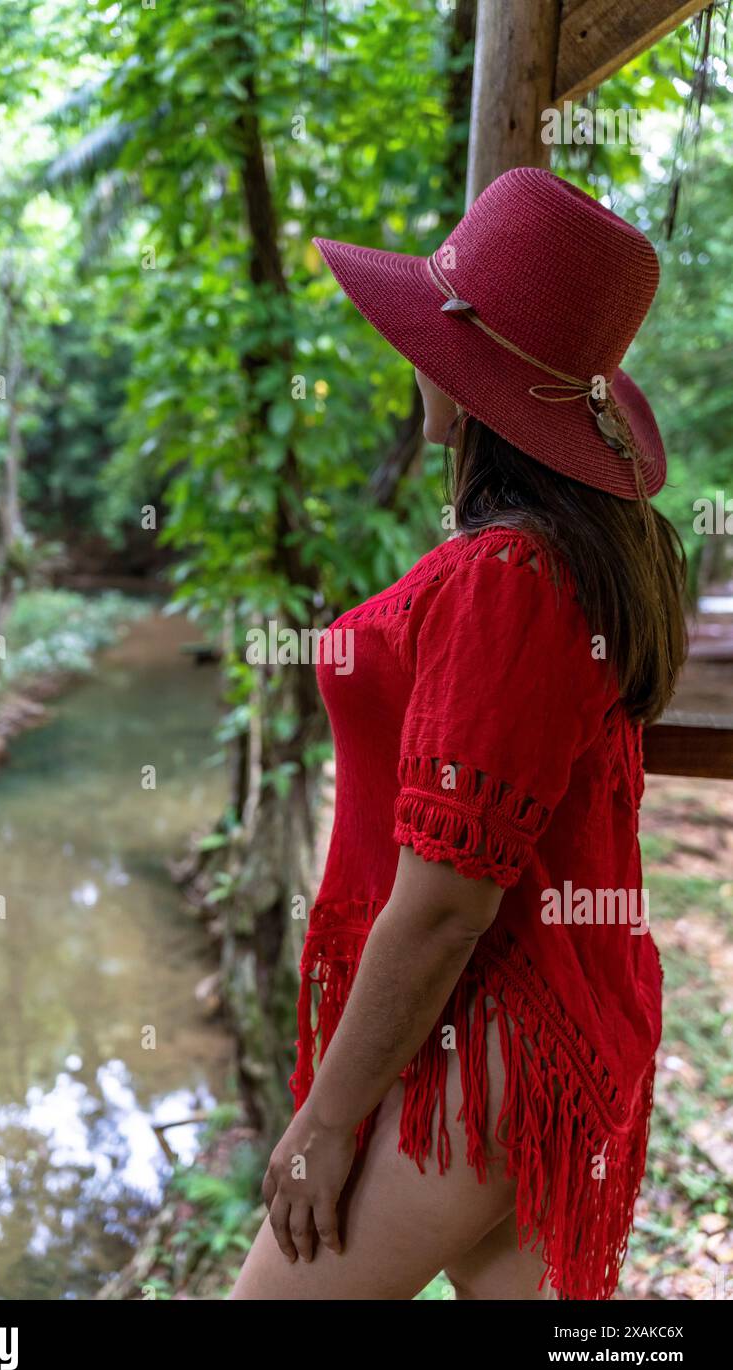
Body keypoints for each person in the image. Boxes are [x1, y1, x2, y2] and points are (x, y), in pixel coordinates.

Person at [230, 167, 688, 1301]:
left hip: (489, 1031)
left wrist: (326, 1123)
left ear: (480, 374)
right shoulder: (575, 551)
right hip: (536, 1024)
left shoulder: (508, 576)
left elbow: (444, 902)